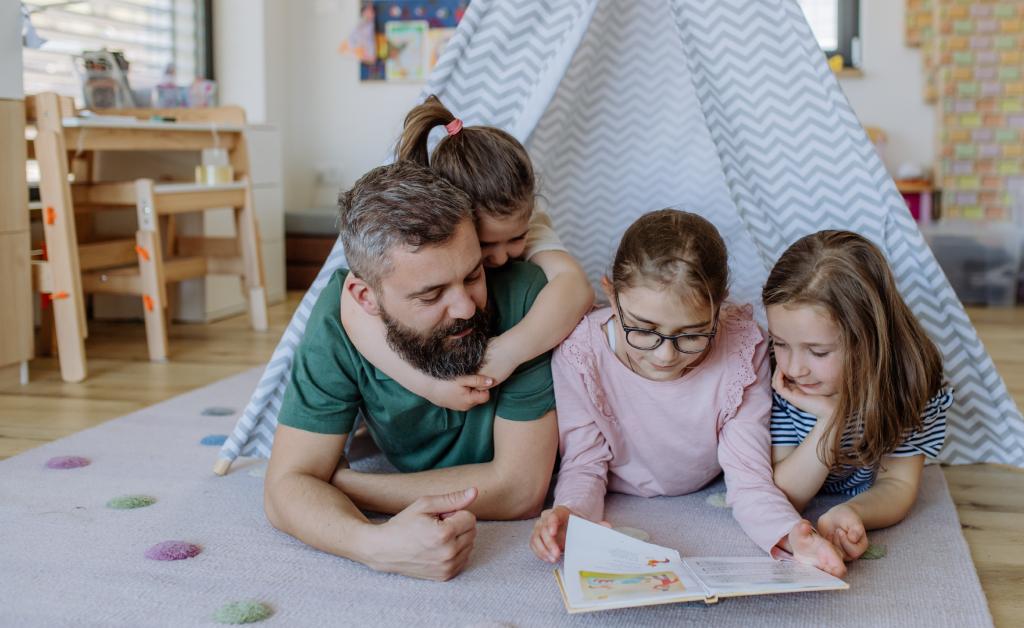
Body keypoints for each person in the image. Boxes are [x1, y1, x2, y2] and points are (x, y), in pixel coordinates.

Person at [264, 161, 558, 579]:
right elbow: (284, 488)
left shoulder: (527, 299)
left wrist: (348, 484)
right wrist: (373, 545)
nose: (465, 307)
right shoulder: (336, 320)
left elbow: (520, 490)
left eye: (473, 274)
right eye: (431, 294)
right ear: (365, 298)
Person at [529, 209, 847, 577]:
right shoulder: (580, 353)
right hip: (615, 491)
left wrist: (791, 534)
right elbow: (584, 462)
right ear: (612, 297)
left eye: (693, 334)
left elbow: (748, 473)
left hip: (708, 483)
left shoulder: (743, 347)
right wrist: (572, 514)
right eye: (643, 330)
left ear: (719, 309)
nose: (665, 355)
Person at [342, 95, 594, 411]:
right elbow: (352, 307)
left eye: (517, 238)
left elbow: (575, 285)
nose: (502, 258)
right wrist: (429, 386)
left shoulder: (522, 214)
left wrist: (508, 352)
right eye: (487, 245)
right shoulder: (421, 230)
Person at [765, 230, 953, 562]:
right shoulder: (780, 382)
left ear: (868, 341)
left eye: (818, 352)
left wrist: (854, 511)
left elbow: (897, 483)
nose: (794, 367)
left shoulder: (909, 384)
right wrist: (831, 419)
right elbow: (785, 495)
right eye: (780, 343)